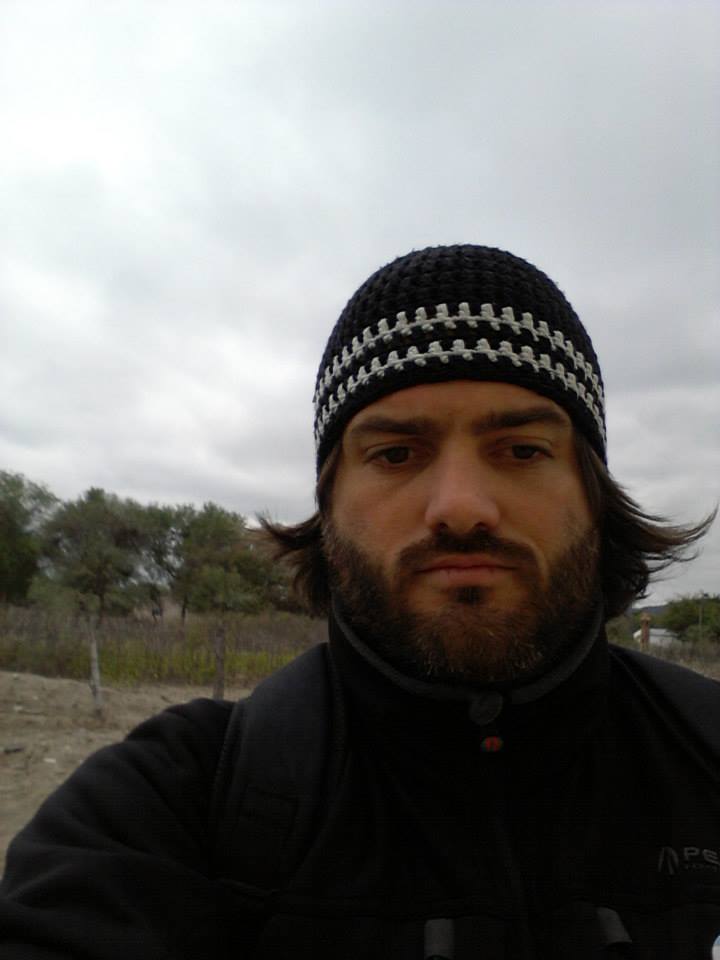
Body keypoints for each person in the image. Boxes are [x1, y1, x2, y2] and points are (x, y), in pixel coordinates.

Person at [1, 244, 717, 958]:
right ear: (329, 506)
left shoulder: (705, 749)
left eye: (523, 449)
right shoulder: (170, 801)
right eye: (396, 454)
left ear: (593, 492)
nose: (461, 507)